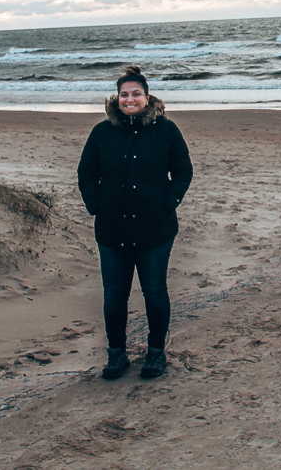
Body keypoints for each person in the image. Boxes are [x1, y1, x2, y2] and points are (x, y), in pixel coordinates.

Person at [77, 66, 193, 379]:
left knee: (154, 292)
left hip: (156, 229)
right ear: (117, 98)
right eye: (124, 94)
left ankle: (156, 352)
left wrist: (168, 202)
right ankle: (117, 355)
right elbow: (86, 173)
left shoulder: (166, 130)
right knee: (114, 297)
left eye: (136, 94)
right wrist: (96, 205)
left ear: (146, 97)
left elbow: (183, 171)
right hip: (112, 229)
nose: (130, 99)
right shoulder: (102, 132)